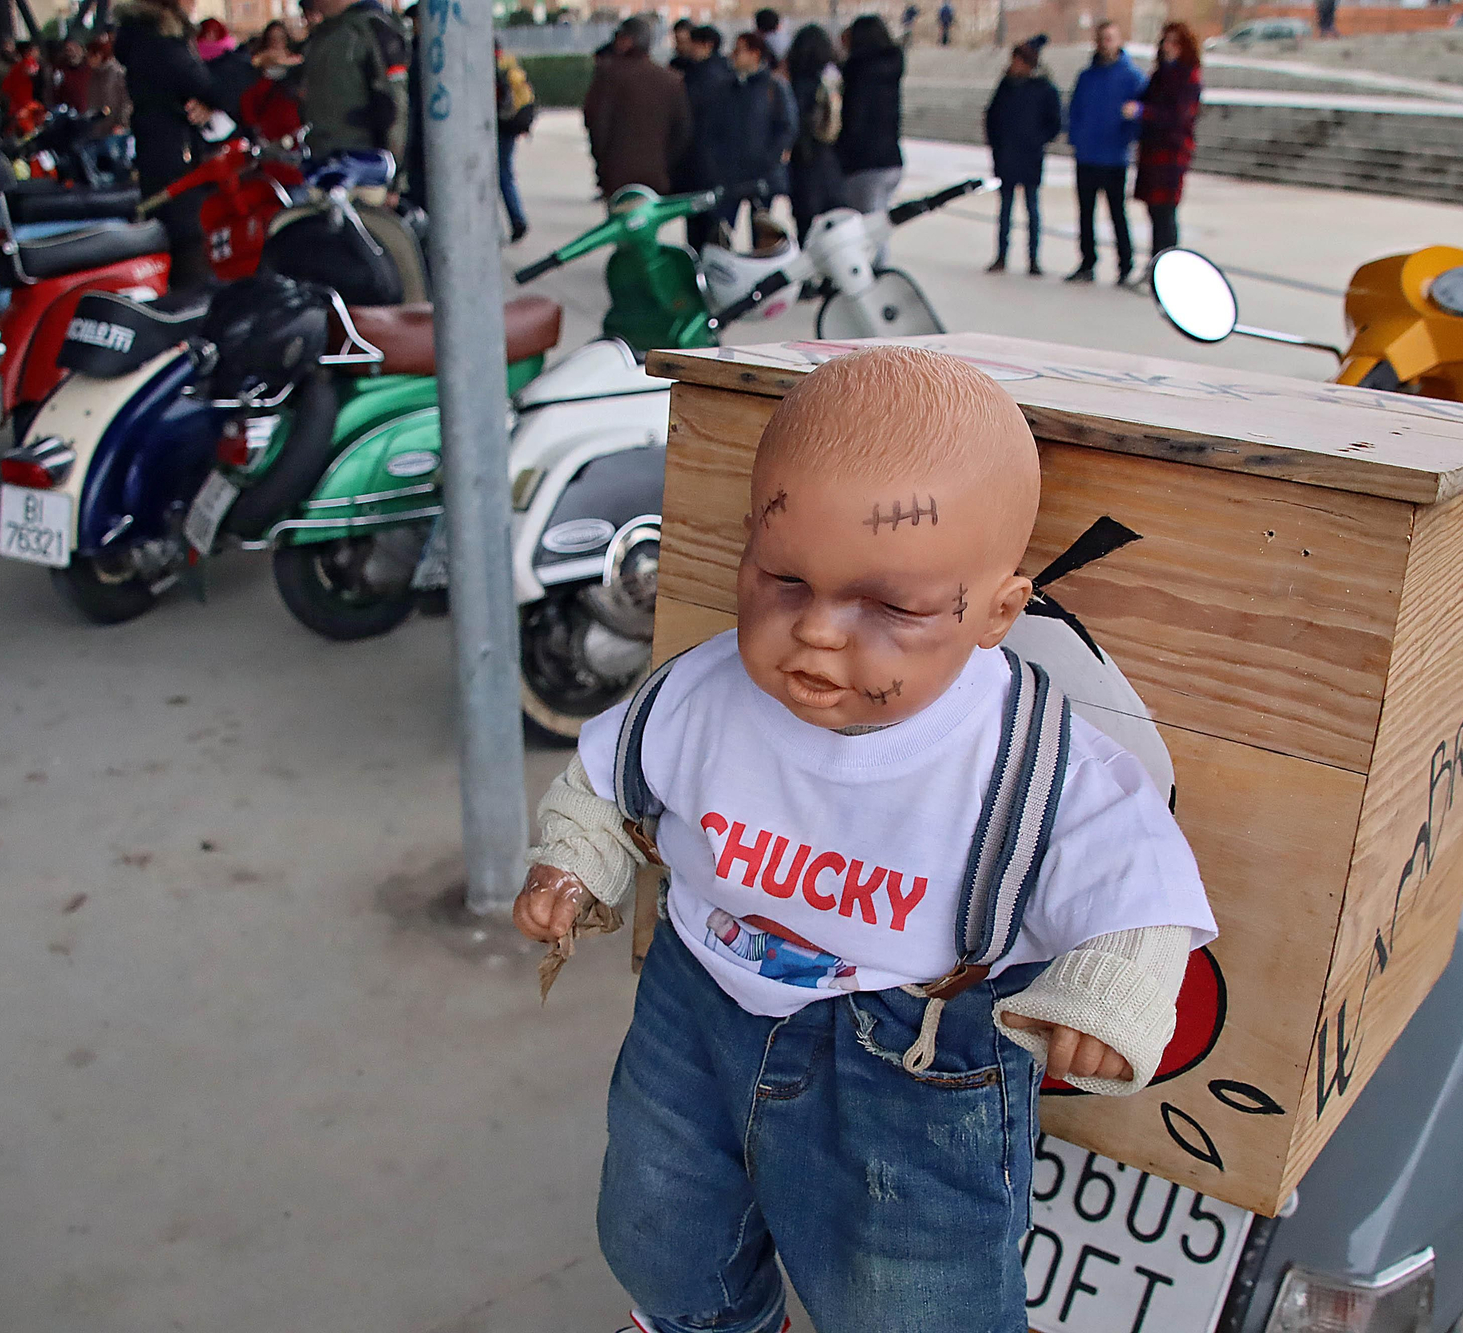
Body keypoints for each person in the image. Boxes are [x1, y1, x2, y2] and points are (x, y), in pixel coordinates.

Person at [513, 345, 1214, 1333]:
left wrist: (1109, 992)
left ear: (997, 612)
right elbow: (610, 770)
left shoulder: (1027, 760)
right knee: (654, 1217)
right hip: (693, 1009)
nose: (818, 633)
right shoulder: (704, 689)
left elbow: (1138, 885)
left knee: (913, 1295)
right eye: (784, 579)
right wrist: (573, 857)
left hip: (910, 1061)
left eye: (889, 605)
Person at [114, 0, 219, 288]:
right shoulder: (159, 40)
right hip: (175, 156)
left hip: (158, 152)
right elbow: (202, 83)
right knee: (187, 241)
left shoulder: (140, 37)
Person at [1066, 19, 1146, 284]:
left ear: (1119, 41)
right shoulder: (1086, 77)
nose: (1105, 44)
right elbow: (1075, 110)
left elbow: (1142, 113)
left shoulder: (1132, 77)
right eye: (1101, 39)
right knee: (1085, 213)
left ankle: (1125, 265)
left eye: (1110, 38)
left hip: (1114, 158)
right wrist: (1076, 138)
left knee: (1117, 213)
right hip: (1087, 155)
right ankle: (1087, 261)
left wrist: (1128, 135)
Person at [583, 15, 691, 199]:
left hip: (617, 173)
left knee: (621, 224)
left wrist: (602, 162)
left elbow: (596, 123)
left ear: (627, 40)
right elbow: (682, 130)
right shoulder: (672, 80)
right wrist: (665, 163)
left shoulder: (608, 76)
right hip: (657, 174)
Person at [984, 37, 1060, 277]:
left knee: (1032, 208)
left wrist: (1037, 139)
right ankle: (1001, 256)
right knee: (1005, 209)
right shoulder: (1005, 86)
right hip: (1006, 155)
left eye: (1018, 61)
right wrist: (997, 144)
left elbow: (1055, 122)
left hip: (1030, 156)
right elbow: (992, 117)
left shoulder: (1044, 88)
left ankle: (1033, 258)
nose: (1014, 65)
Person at [299, 0, 408, 164]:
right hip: (325, 158)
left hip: (365, 164)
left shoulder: (372, 28)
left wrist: (394, 170)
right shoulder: (327, 33)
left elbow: (395, 103)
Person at [708, 32, 796, 231]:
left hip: (762, 174)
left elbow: (787, 127)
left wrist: (769, 158)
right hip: (729, 174)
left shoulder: (774, 87)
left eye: (739, 51)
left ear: (755, 54)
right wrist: (716, 162)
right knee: (722, 230)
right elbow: (713, 128)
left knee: (762, 233)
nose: (733, 56)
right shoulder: (726, 88)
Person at [835, 14, 903, 260]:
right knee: (878, 223)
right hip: (891, 159)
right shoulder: (892, 67)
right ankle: (878, 270)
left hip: (864, 161)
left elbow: (855, 119)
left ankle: (874, 277)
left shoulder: (858, 72)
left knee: (865, 228)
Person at [1135, 21, 1201, 259]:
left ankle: (1168, 263)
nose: (1168, 47)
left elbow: (1177, 116)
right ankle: (1155, 263)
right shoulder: (1160, 74)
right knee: (1154, 209)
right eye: (1165, 41)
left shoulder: (1187, 76)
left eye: (1174, 42)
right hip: (1153, 149)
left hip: (1172, 150)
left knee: (1165, 211)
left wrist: (1144, 112)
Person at [784, 24, 843, 241]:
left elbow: (795, 123)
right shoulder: (832, 78)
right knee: (833, 220)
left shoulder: (796, 82)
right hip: (829, 157)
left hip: (804, 159)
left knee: (804, 223)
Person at [676, 25, 734, 245]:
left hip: (700, 157)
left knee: (698, 221)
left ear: (706, 45)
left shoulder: (701, 77)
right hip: (719, 158)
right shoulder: (726, 72)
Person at [496, 40, 536, 242]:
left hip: (498, 129)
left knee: (499, 175)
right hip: (510, 128)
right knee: (505, 174)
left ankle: (514, 220)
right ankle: (517, 217)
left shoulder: (492, 71)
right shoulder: (510, 67)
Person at [242, 20, 304, 141]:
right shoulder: (256, 67)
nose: (276, 42)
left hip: (294, 129)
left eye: (280, 38)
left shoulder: (297, 64)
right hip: (265, 131)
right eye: (272, 38)